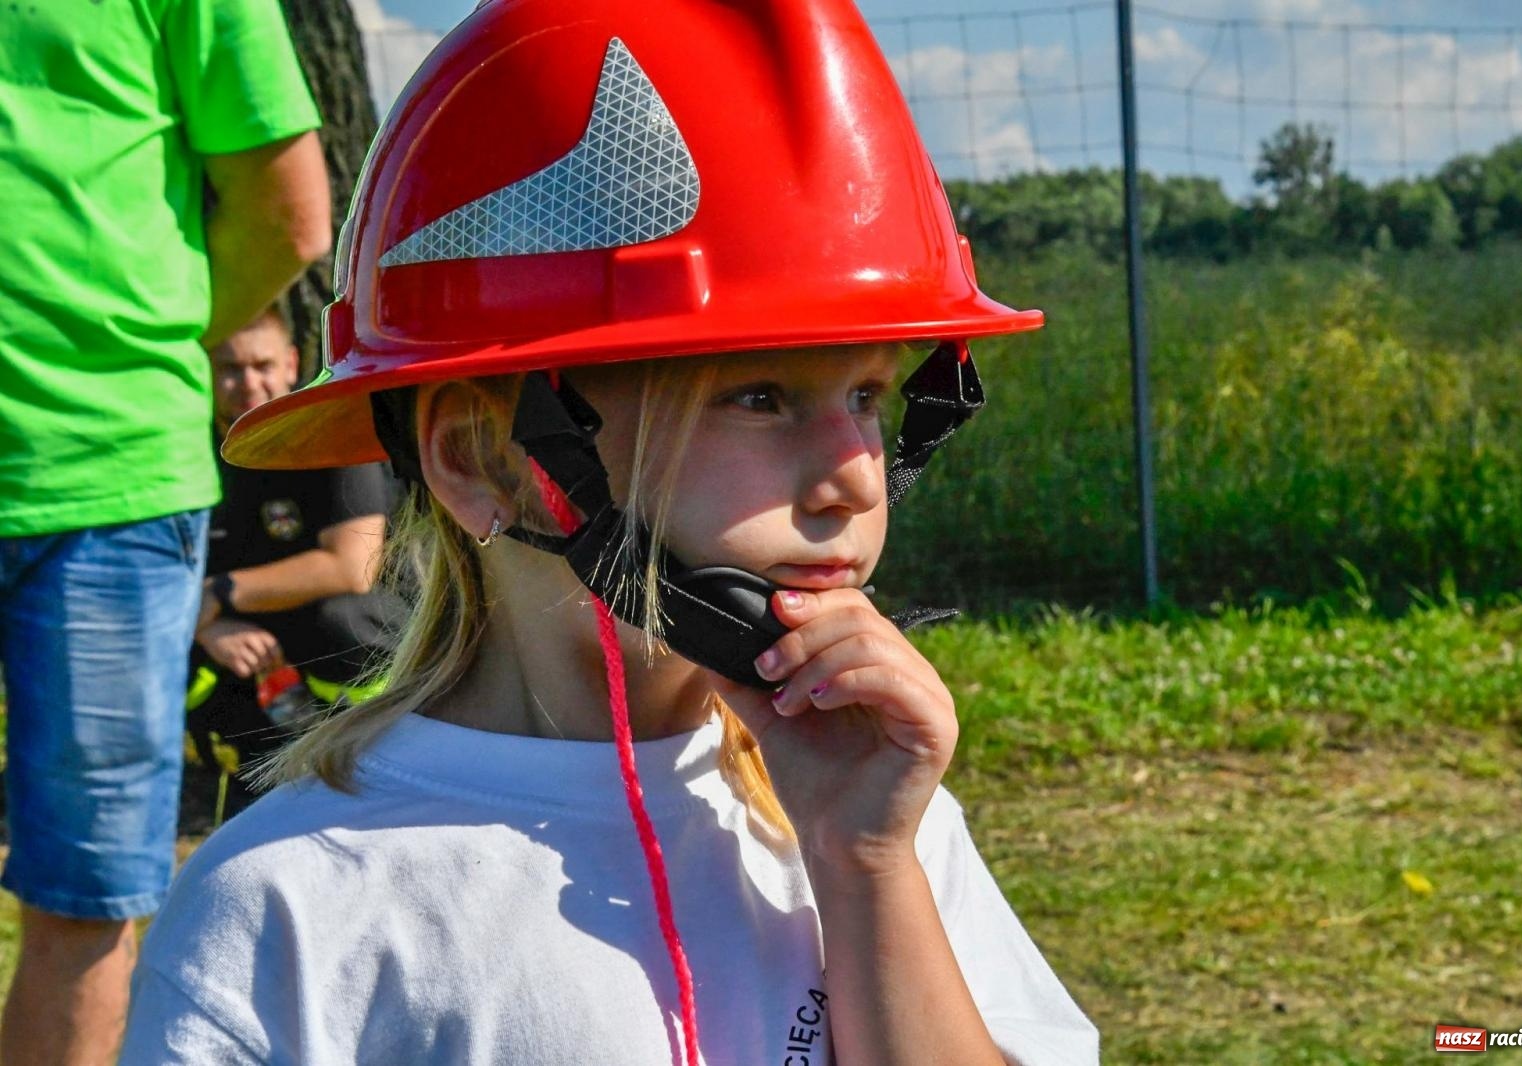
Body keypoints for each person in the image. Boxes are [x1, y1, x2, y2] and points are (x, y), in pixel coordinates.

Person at [121, 1, 1099, 1062]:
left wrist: (865, 867)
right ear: (486, 458)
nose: (856, 473)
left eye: (870, 396)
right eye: (760, 396)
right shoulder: (294, 901)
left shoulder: (874, 813)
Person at [0, 2, 329, 1063]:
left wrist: (138, 342)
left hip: (108, 485)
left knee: (89, 895)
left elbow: (289, 214)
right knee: (86, 902)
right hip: (114, 471)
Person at [187, 306, 404, 820]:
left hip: (359, 625)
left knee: (342, 622)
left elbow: (353, 566)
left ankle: (380, 753)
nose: (248, 383)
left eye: (262, 365)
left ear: (290, 363)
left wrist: (214, 597)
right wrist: (205, 628)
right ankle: (236, 769)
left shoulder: (330, 432)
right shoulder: (189, 451)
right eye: (230, 369)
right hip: (241, 633)